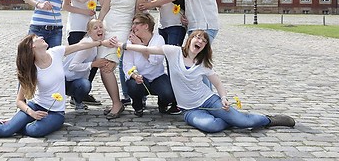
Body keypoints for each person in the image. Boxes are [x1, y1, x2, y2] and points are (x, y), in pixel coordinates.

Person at [112, 30, 296, 133]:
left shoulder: (203, 64)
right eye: (197, 37)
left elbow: (217, 83)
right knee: (212, 126)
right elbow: (148, 50)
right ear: (189, 40)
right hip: (189, 109)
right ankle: (232, 119)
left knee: (242, 120)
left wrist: (223, 98)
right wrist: (123, 45)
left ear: (204, 47)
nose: (200, 40)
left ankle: (269, 119)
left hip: (209, 101)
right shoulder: (173, 51)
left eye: (204, 40)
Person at [0, 34, 113, 139]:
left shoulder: (55, 52)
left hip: (56, 113)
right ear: (32, 47)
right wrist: (31, 112)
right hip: (36, 106)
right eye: (37, 38)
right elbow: (19, 101)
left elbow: (80, 46)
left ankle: (14, 125)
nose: (41, 37)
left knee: (34, 132)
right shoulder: (32, 71)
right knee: (6, 132)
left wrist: (101, 42)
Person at [98, 0, 146, 107]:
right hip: (108, 27)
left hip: (123, 29)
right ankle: (117, 101)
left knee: (109, 64)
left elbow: (138, 13)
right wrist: (98, 26)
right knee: (103, 65)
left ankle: (118, 102)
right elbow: (105, 8)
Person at [153, 0, 192, 114]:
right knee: (165, 62)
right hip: (164, 25)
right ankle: (166, 98)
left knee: (173, 63)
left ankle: (177, 101)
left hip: (176, 25)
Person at [63, 0, 104, 106]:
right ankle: (74, 92)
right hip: (76, 26)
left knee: (94, 59)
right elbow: (65, 6)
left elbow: (103, 1)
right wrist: (84, 12)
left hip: (92, 27)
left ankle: (83, 91)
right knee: (75, 60)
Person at [123, 13, 175, 117]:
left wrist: (140, 46)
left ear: (146, 26)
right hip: (140, 78)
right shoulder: (130, 42)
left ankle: (162, 104)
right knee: (133, 86)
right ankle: (138, 106)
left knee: (168, 94)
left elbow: (155, 60)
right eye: (133, 24)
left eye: (136, 23)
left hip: (157, 77)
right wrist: (134, 76)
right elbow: (127, 65)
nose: (133, 27)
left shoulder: (158, 39)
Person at [63, 19, 112, 110]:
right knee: (85, 85)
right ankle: (77, 101)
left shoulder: (95, 44)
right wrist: (93, 64)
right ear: (89, 32)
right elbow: (72, 66)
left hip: (75, 79)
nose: (99, 30)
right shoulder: (87, 45)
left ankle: (77, 100)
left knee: (86, 84)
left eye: (101, 27)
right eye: (95, 28)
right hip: (65, 80)